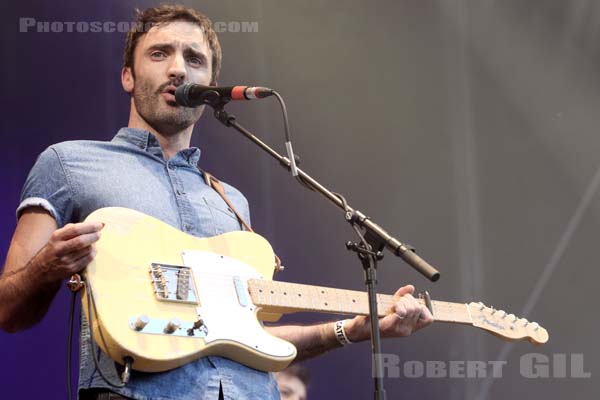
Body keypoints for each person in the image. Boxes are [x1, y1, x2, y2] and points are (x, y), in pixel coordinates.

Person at [0, 4, 433, 399]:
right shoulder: (68, 163)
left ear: (210, 85)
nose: (177, 70)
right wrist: (46, 267)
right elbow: (8, 311)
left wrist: (354, 329)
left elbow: (248, 337)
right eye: (159, 54)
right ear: (127, 76)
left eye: (194, 59)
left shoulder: (232, 202)